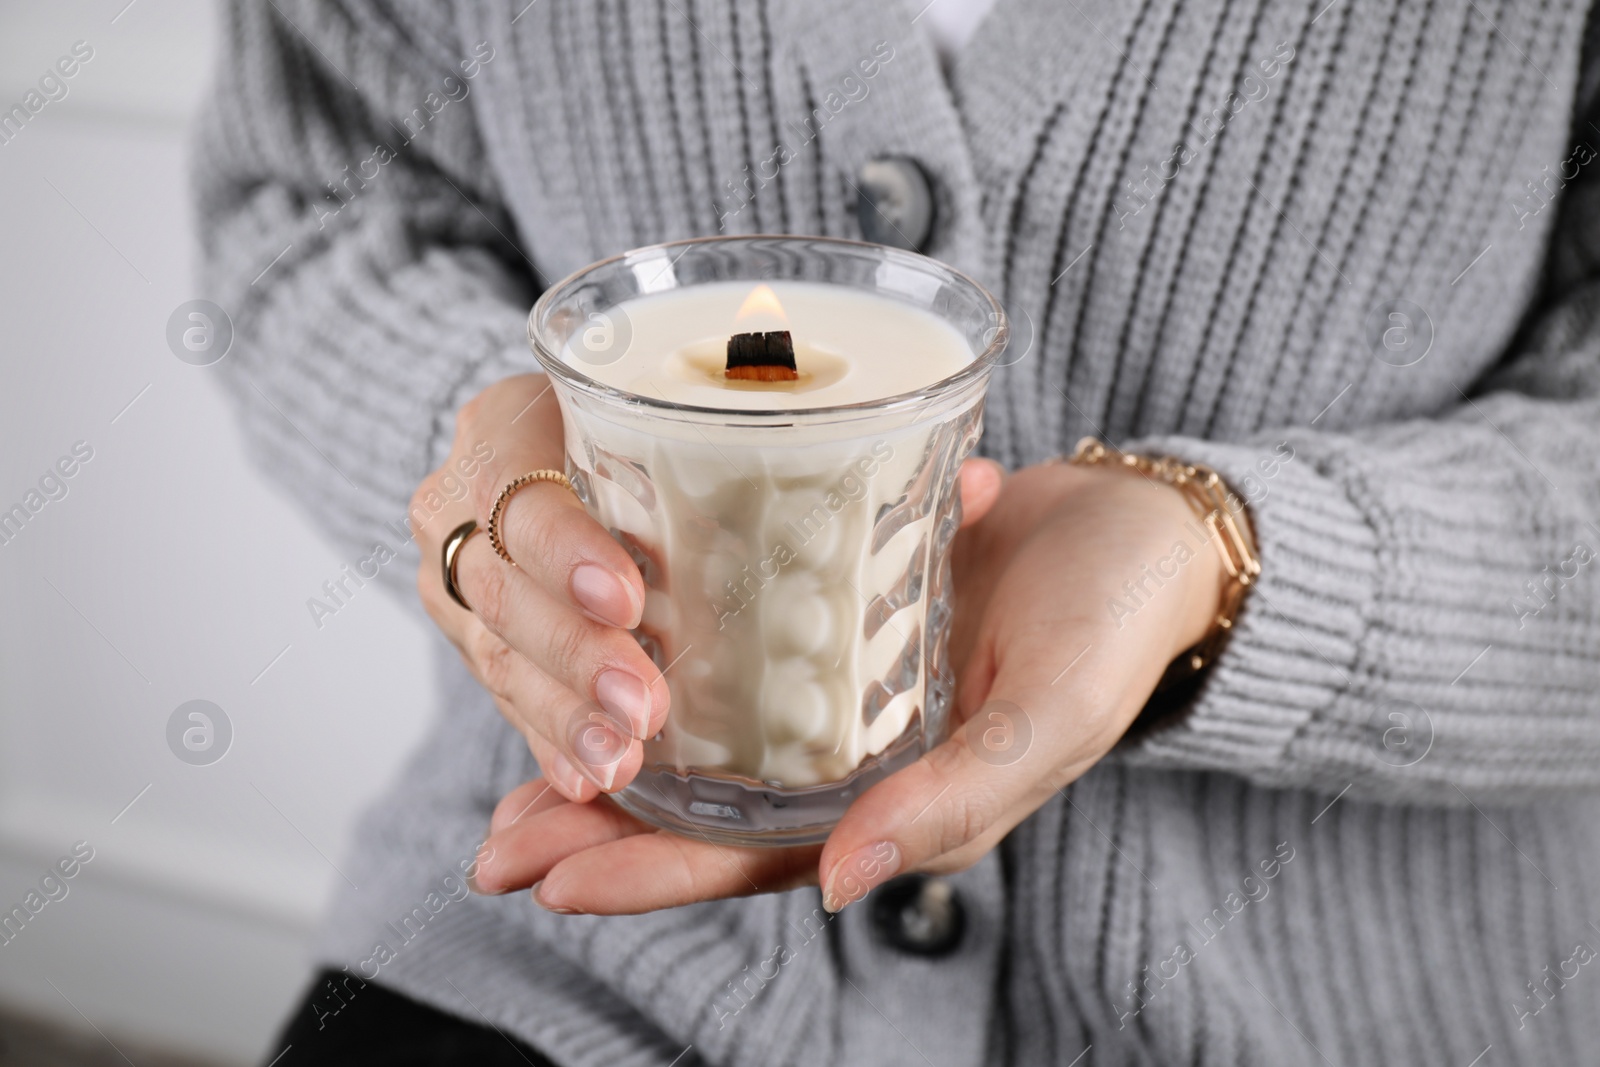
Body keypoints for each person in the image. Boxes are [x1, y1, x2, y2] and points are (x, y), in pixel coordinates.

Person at [195, 0, 1600, 1064]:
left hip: (1358, 996)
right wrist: (505, 503)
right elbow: (313, 205)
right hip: (574, 917)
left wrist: (1225, 565)